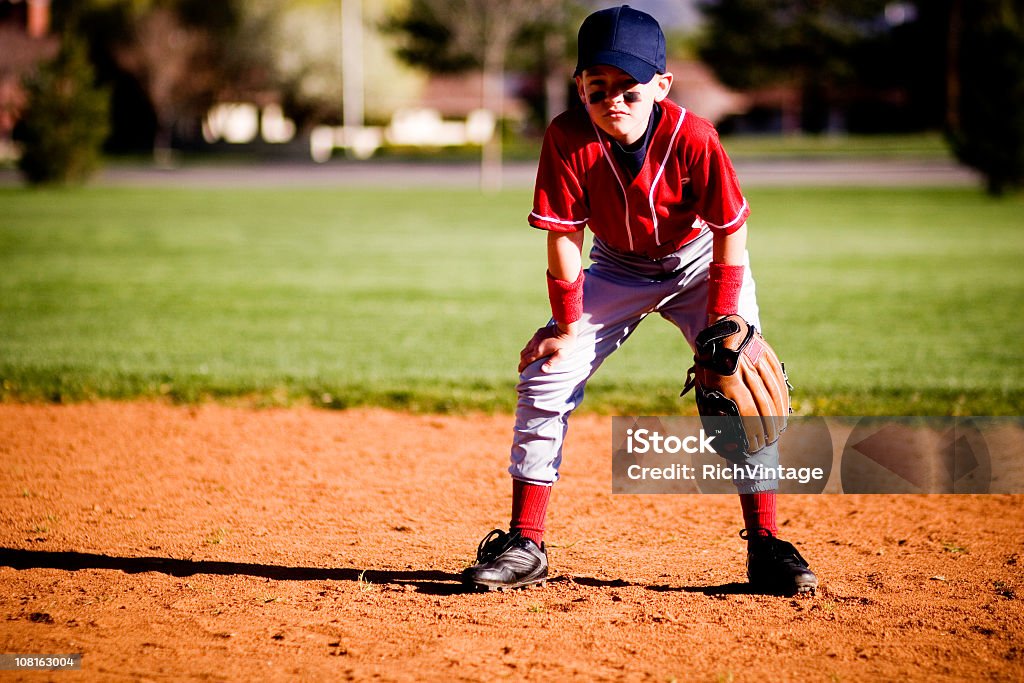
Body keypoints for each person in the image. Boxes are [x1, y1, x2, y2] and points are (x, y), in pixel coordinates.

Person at [462, 5, 817, 596]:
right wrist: (565, 324)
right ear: (580, 87)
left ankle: (766, 546)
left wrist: (728, 319)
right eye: (597, 87)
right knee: (547, 375)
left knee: (740, 386)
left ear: (661, 85)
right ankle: (526, 543)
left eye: (629, 86)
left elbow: (731, 228)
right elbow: (564, 236)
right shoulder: (566, 136)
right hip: (618, 269)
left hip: (700, 263)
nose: (613, 99)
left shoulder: (695, 137)